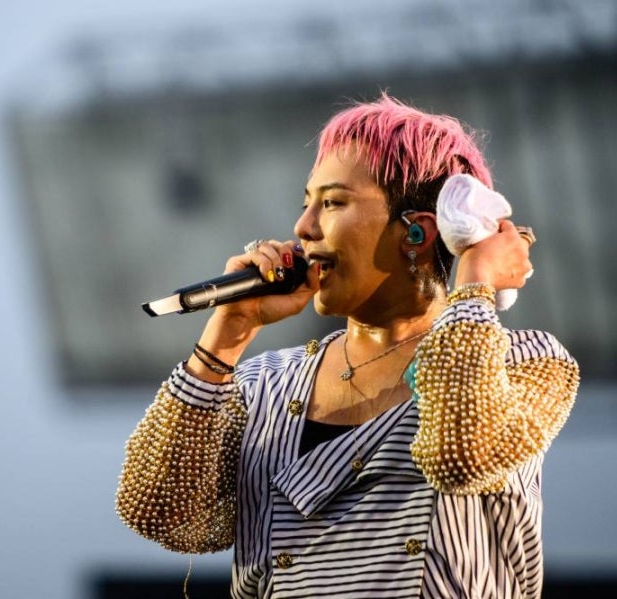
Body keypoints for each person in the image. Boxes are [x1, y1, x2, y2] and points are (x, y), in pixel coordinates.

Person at [115, 94, 579, 598]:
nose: (303, 227)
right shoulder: (262, 382)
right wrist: (228, 333)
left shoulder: (524, 362)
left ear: (419, 232)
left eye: (333, 202)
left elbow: (461, 454)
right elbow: (159, 511)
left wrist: (475, 284)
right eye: (306, 203)